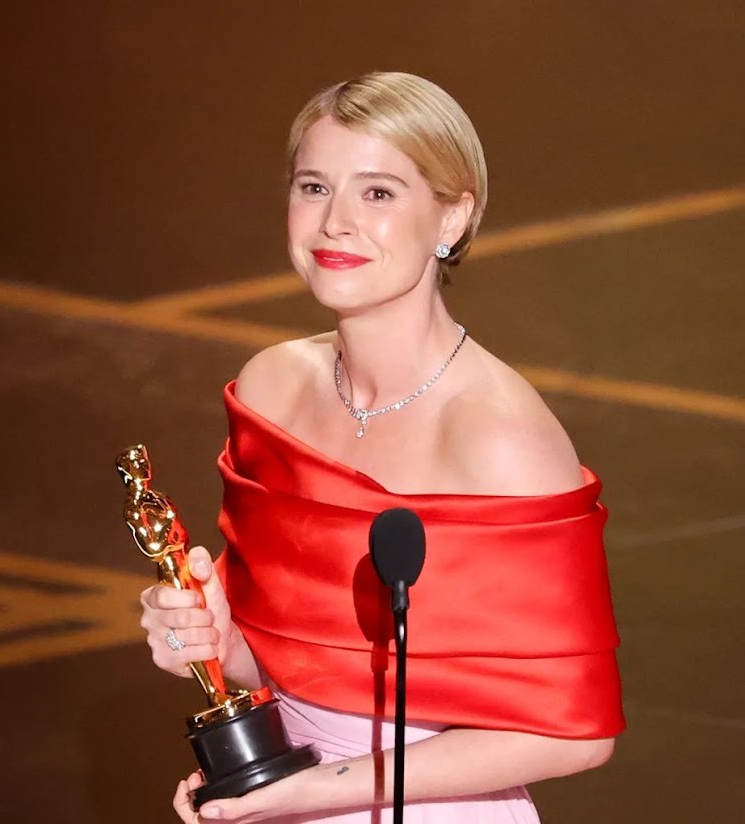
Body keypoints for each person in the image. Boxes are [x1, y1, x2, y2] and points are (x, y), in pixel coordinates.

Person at [138, 72, 622, 823]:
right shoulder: (272, 390)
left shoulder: (499, 437)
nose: (334, 223)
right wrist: (210, 638)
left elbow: (573, 734)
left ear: (452, 219)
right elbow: (288, 659)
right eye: (312, 187)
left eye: (378, 194)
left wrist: (320, 789)